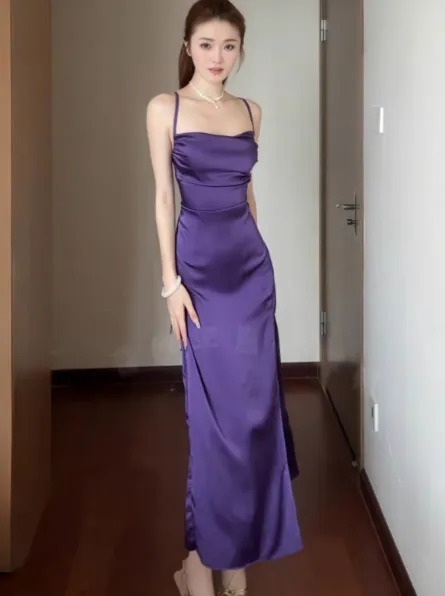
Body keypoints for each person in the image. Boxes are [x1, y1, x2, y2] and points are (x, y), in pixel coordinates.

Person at [146, 0, 302, 594]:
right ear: (188, 45)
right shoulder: (165, 107)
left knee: (256, 415)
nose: (218, 57)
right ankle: (199, 560)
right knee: (213, 422)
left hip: (250, 273)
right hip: (198, 276)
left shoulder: (250, 111)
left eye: (229, 45)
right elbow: (164, 197)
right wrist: (170, 284)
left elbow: (248, 193)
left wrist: (260, 264)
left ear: (241, 50)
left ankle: (232, 557)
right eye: (207, 44)